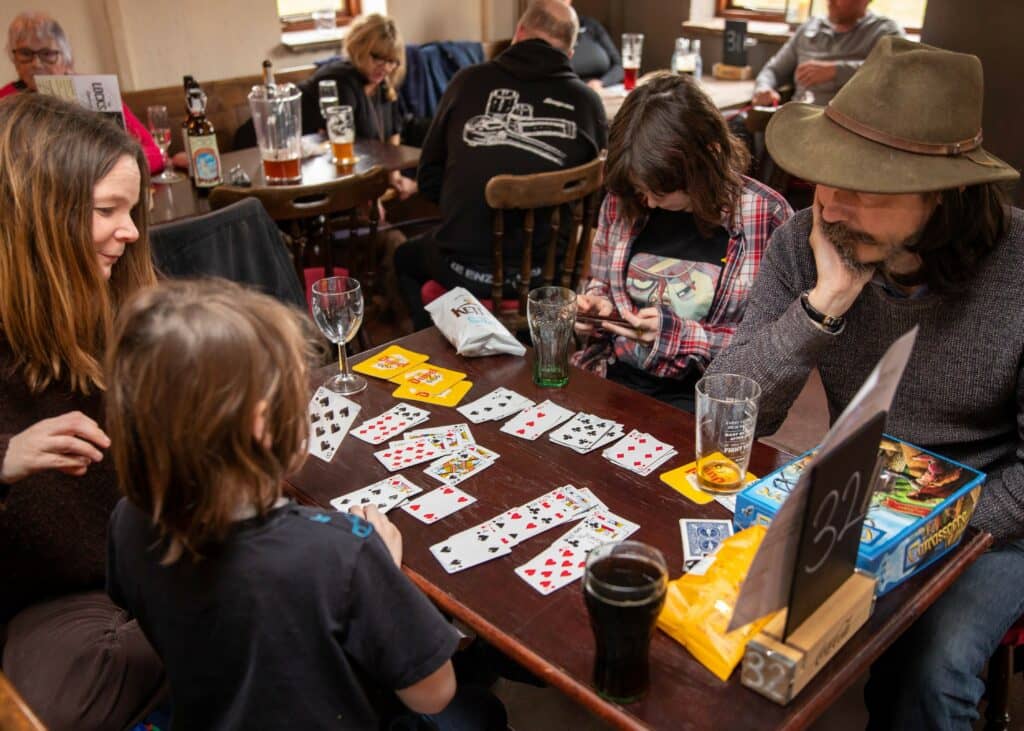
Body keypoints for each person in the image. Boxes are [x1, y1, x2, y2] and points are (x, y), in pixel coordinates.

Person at [706, 37, 1023, 729]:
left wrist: (925, 536)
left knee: (930, 673)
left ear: (948, 197)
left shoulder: (1018, 270)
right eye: (825, 175)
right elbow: (725, 413)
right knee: (731, 623)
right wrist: (820, 309)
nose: (831, 206)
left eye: (865, 187)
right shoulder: (806, 241)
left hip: (993, 510)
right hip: (860, 485)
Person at [104, 279, 505, 729]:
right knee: (480, 711)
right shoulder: (344, 554)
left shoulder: (128, 520)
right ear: (261, 423)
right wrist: (386, 578)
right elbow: (434, 694)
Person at [0, 93, 163, 730]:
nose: (129, 231)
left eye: (132, 210)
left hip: (164, 554)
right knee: (53, 708)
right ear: (37, 217)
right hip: (59, 599)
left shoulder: (124, 291)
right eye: (107, 211)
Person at [571, 73, 791, 412]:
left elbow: (770, 350)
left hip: (706, 402)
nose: (648, 202)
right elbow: (603, 283)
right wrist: (599, 310)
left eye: (660, 191)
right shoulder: (624, 199)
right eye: (640, 189)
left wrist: (677, 334)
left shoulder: (766, 217)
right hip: (612, 378)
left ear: (709, 157)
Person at [395, 0, 607, 330]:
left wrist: (469, 205)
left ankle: (436, 345)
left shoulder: (466, 82)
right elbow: (598, 202)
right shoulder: (587, 102)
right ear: (570, 51)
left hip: (461, 269)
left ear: (518, 33)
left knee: (403, 258)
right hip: (547, 277)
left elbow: (429, 179)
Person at [2, 12, 164, 175]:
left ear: (65, 59)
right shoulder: (5, 100)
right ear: (14, 59)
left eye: (47, 54)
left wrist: (113, 170)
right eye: (25, 53)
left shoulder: (94, 90)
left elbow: (154, 155)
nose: (36, 63)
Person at [299, 13, 416, 199]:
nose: (385, 68)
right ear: (358, 47)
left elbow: (393, 131)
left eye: (392, 61)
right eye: (378, 58)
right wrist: (369, 196)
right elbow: (347, 147)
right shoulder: (341, 80)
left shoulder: (382, 83)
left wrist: (394, 175)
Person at [752, 0, 902, 107]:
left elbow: (896, 71)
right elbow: (774, 70)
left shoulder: (885, 31)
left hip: (849, 130)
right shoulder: (810, 27)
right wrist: (763, 88)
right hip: (797, 121)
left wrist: (837, 71)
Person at [566, 2, 623, 89]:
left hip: (604, 90)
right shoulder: (545, 35)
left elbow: (619, 65)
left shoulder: (591, 25)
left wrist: (602, 83)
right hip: (572, 94)